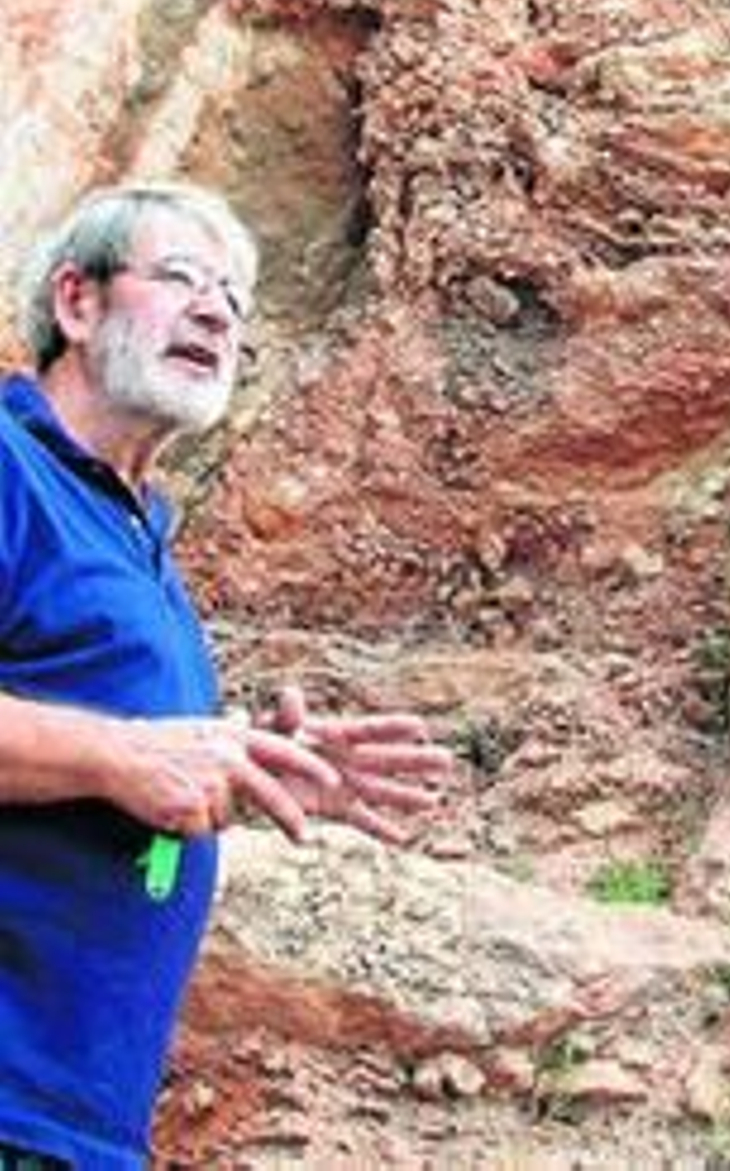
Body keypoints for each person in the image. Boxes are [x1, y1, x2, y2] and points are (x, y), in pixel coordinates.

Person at [0, 182, 451, 1169]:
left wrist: (239, 768)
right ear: (77, 303)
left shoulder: (137, 541)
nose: (218, 312)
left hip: (77, 1123)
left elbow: (107, 773)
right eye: (180, 280)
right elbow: (114, 757)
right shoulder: (9, 469)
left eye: (236, 302)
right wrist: (119, 753)